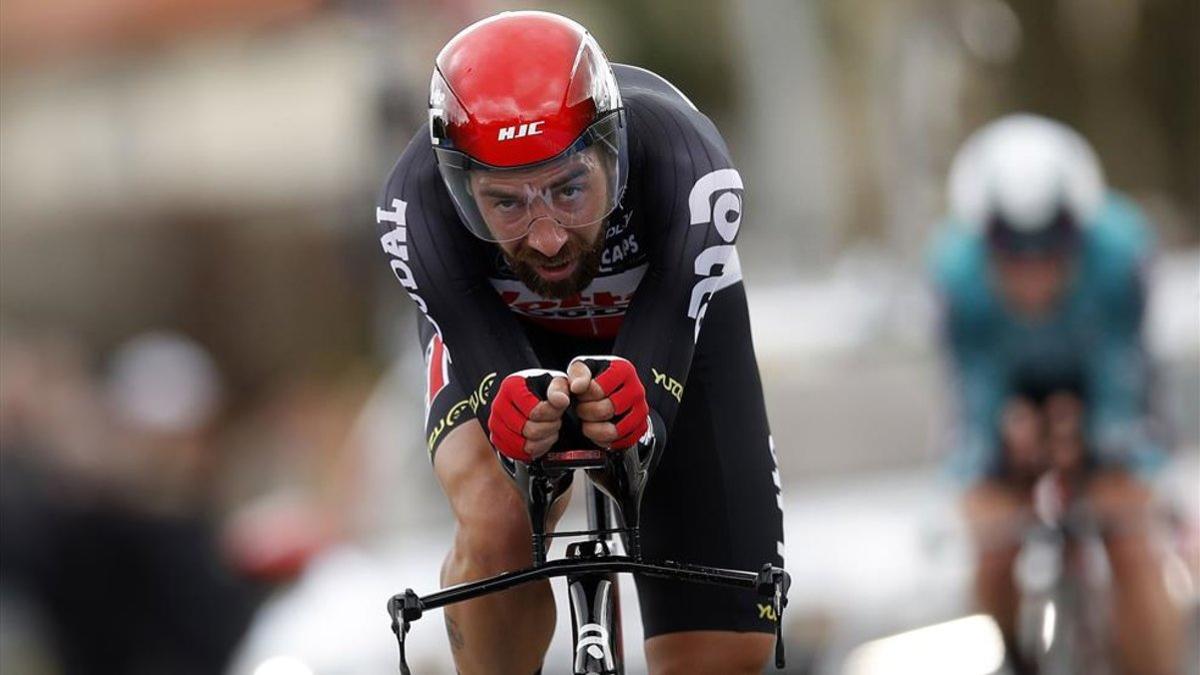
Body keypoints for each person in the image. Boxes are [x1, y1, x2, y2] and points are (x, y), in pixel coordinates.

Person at [373, 10, 783, 675]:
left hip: (660, 318)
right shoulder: (413, 204)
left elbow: (668, 346)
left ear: (611, 148)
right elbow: (481, 355)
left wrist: (643, 403)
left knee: (720, 653)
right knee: (497, 515)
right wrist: (510, 419)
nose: (548, 238)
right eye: (506, 203)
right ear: (457, 186)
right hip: (506, 327)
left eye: (570, 189)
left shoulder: (688, 162)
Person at [928, 114, 1182, 675]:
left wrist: (1114, 454)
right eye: (1013, 257)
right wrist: (988, 460)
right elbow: (969, 393)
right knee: (993, 552)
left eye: (1051, 253)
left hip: (1104, 380)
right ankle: (1015, 659)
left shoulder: (1120, 255)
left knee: (1132, 546)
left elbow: (1130, 374)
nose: (1034, 273)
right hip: (1006, 386)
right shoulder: (955, 274)